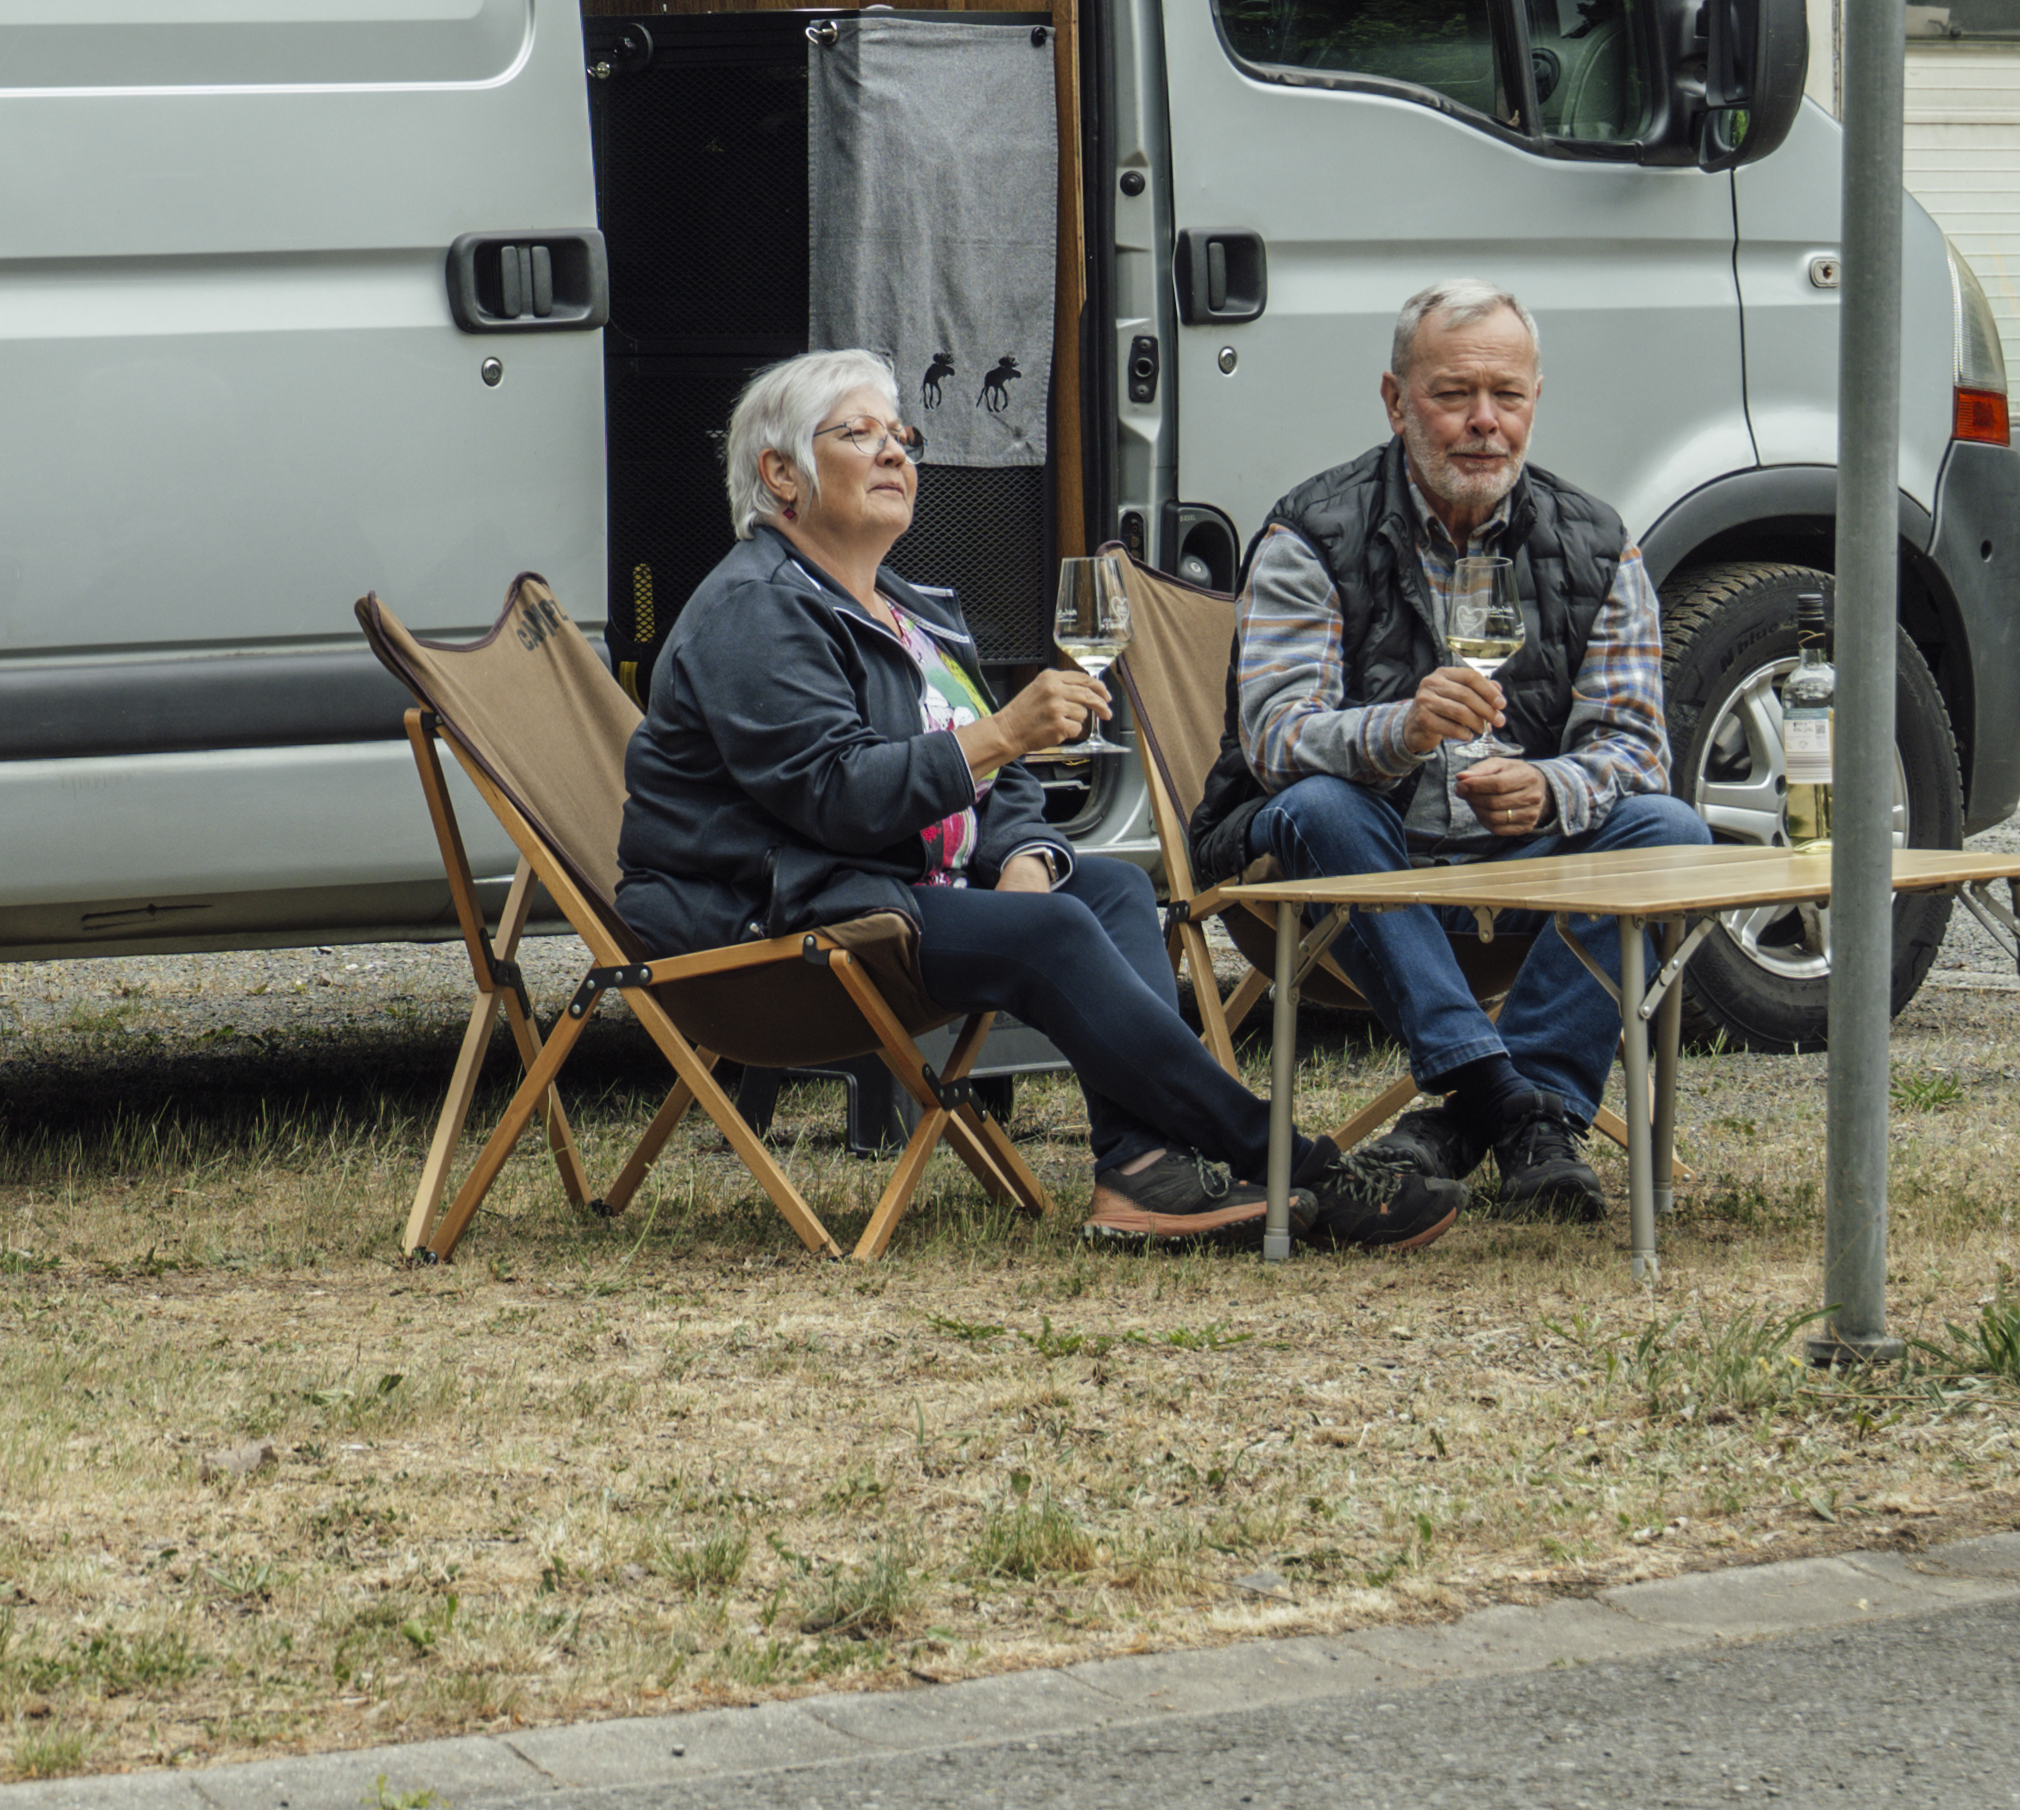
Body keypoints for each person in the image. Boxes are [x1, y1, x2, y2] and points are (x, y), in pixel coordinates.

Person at [623, 350, 1457, 1252]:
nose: (896, 453)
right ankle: (1293, 1161)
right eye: (859, 435)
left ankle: (1140, 1170)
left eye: (900, 435)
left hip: (884, 892)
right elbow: (834, 795)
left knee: (1107, 890)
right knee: (1052, 932)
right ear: (779, 473)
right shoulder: (756, 608)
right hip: (777, 920)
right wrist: (1004, 733)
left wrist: (1023, 856)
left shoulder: (910, 607)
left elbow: (1003, 786)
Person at [1224, 287, 1708, 1222]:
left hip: (1521, 872)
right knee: (1320, 806)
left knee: (1668, 826)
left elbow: (1635, 747)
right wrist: (1399, 730)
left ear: (1535, 401)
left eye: (1508, 395)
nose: (1485, 422)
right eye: (1453, 395)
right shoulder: (1311, 532)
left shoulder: (1598, 543)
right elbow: (1275, 736)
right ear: (1395, 401)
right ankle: (1507, 1100)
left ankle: (1487, 1115)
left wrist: (1550, 785)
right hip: (1363, 864)